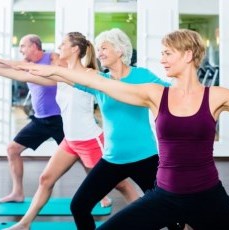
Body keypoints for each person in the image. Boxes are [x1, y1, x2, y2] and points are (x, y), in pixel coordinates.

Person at [17, 28, 229, 229]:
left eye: (167, 53)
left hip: (209, 194)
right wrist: (57, 70)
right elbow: (98, 82)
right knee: (86, 210)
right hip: (164, 192)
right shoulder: (155, 92)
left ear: (187, 55)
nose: (162, 58)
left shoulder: (214, 96)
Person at [14, 28, 186, 230]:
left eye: (104, 48)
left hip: (145, 157)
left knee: (170, 208)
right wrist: (13, 67)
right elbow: (63, 75)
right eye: (99, 49)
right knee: (79, 206)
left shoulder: (142, 75)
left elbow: (174, 94)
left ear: (120, 51)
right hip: (112, 159)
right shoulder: (98, 80)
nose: (99, 53)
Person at [0, 32, 139, 230]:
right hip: (70, 141)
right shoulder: (60, 75)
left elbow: (116, 87)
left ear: (75, 49)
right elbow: (22, 73)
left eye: (63, 44)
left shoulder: (90, 75)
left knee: (121, 185)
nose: (59, 47)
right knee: (45, 180)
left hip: (90, 141)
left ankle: (148, 216)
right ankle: (24, 224)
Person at [0, 34, 65, 203]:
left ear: (35, 46)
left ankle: (101, 195)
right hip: (40, 120)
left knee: (82, 155)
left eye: (23, 46)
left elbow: (61, 75)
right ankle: (17, 192)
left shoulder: (52, 57)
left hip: (60, 119)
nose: (20, 50)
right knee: (12, 150)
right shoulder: (25, 65)